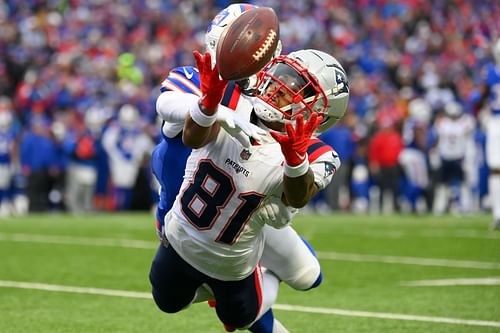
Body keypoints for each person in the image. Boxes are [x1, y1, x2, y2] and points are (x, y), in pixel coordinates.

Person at [150, 4, 349, 332]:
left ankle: (252, 283)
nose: (281, 87)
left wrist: (295, 160)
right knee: (184, 294)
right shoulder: (211, 85)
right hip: (185, 213)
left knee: (306, 275)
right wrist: (213, 108)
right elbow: (171, 106)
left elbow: (295, 197)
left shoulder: (314, 146)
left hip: (248, 213)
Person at [475, 38, 500, 229]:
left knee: (495, 170)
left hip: (495, 123)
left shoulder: (490, 72)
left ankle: (498, 213)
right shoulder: (490, 72)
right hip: (494, 122)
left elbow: (481, 96)